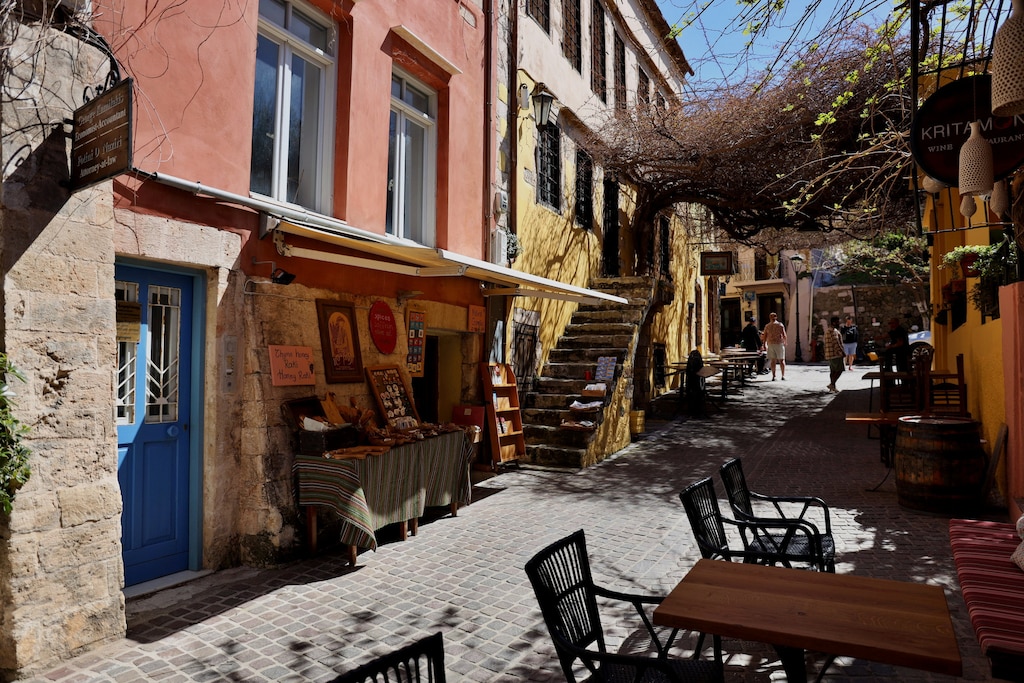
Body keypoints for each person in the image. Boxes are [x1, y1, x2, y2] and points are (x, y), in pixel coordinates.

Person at [761, 312, 788, 380]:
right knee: (781, 360)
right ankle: (783, 375)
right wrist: (785, 342)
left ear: (769, 318)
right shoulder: (780, 325)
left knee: (773, 361)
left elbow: (765, 336)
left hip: (771, 344)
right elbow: (784, 335)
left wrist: (764, 344)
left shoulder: (767, 326)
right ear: (776, 317)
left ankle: (774, 376)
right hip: (779, 343)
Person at [824, 316, 845, 393]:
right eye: (837, 322)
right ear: (834, 322)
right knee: (839, 370)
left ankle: (833, 387)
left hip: (829, 354)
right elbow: (836, 343)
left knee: (832, 370)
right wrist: (842, 352)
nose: (839, 323)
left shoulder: (827, 331)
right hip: (836, 354)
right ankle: (832, 384)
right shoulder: (833, 331)